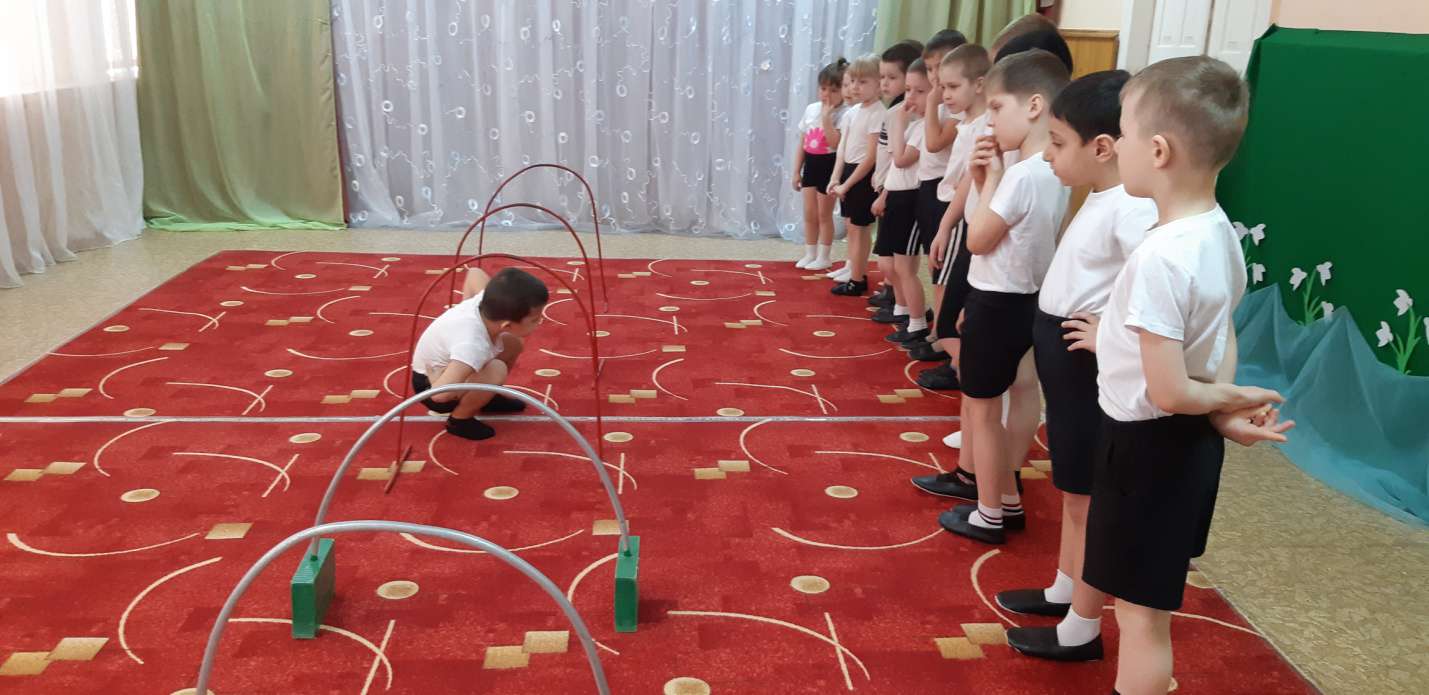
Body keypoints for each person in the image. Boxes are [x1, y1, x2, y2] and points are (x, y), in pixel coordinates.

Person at [1077, 56, 1292, 695]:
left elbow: (1169, 390)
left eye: (1124, 132)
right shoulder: (1218, 232)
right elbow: (1220, 335)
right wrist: (1220, 412)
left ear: (1159, 151)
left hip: (1147, 449)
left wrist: (1230, 396)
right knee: (1147, 605)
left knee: (1140, 617)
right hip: (1184, 442)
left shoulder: (1161, 257)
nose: (1117, 145)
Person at [991, 69, 1158, 663]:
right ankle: (1066, 587)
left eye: (1059, 144)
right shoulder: (1103, 197)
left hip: (1086, 363)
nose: (1050, 155)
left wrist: (1108, 330)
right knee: (1072, 485)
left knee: (1088, 494)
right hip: (1064, 355)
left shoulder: (1131, 208)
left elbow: (1151, 284)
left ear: (1103, 147)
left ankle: (1081, 628)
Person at [939, 49, 1071, 545]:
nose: (990, 120)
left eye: (997, 108)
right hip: (1025, 299)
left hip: (997, 300)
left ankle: (989, 512)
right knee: (1000, 402)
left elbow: (977, 239)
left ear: (1034, 106)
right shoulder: (1053, 169)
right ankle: (1008, 500)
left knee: (982, 410)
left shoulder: (1020, 174)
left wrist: (988, 179)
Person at [411, 267, 548, 441]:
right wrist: (436, 379)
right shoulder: (472, 346)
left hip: (454, 367)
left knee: (512, 344)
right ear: (506, 325)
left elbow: (474, 273)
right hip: (431, 386)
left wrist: (463, 309)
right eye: (535, 320)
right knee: (496, 369)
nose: (540, 322)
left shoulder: (485, 300)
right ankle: (460, 420)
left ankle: (485, 396)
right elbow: (440, 395)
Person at [870, 59, 931, 344]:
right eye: (908, 90)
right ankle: (903, 310)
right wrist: (885, 195)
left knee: (906, 268)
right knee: (894, 265)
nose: (910, 98)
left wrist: (897, 122)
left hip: (910, 200)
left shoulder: (922, 128)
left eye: (919, 91)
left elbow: (901, 159)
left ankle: (918, 322)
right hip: (896, 196)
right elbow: (895, 169)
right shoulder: (914, 126)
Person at [859, 40, 922, 300]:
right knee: (888, 253)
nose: (884, 83)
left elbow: (899, 158)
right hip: (886, 185)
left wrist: (884, 191)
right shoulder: (893, 111)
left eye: (892, 78)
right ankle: (891, 292)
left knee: (895, 256)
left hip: (898, 189)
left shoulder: (905, 114)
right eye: (882, 77)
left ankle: (900, 299)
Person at [826, 54, 886, 296]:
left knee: (860, 229)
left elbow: (871, 156)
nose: (855, 87)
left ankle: (858, 277)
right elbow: (842, 149)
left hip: (863, 175)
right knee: (851, 226)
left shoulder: (878, 113)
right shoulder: (852, 112)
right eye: (853, 82)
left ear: (878, 85)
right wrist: (835, 177)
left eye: (863, 82)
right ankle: (853, 271)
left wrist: (848, 184)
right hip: (849, 172)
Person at [792, 58, 848, 271]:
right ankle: (810, 253)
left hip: (829, 165)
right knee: (809, 212)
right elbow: (802, 143)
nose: (827, 94)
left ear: (844, 90)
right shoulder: (810, 109)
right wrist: (796, 171)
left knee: (824, 214)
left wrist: (826, 119)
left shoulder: (845, 113)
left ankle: (824, 256)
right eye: (823, 89)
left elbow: (835, 143)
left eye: (834, 90)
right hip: (811, 165)